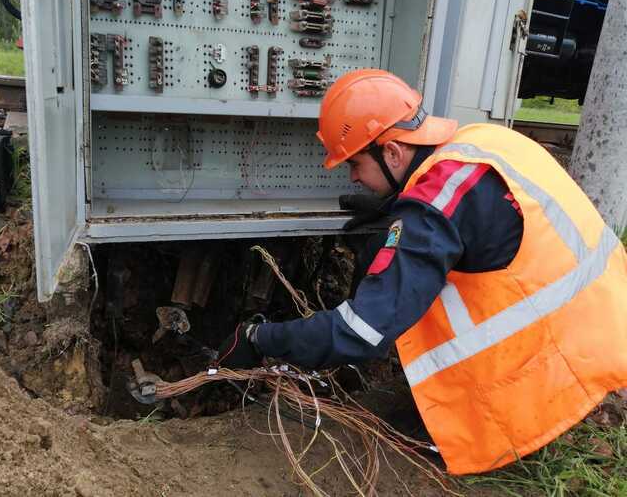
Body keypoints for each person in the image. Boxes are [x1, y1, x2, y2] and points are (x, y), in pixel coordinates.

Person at [217, 69, 627, 474]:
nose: (354, 177)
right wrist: (397, 209)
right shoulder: (484, 140)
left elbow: (361, 333)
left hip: (555, 368)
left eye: (356, 163)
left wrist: (260, 338)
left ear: (393, 152)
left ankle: (518, 433)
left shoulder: (434, 205)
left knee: (393, 438)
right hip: (603, 321)